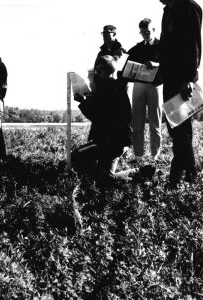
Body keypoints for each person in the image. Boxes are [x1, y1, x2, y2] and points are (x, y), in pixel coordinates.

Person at [71, 55, 155, 187]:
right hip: (119, 142)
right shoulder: (115, 87)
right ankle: (138, 173)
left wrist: (83, 102)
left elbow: (97, 116)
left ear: (102, 71)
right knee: (104, 178)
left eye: (97, 71)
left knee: (75, 157)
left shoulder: (107, 89)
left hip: (108, 142)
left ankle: (125, 179)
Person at [159, 0, 202, 186]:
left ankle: (181, 178)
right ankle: (186, 176)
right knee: (175, 128)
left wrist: (189, 78)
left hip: (181, 80)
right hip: (169, 78)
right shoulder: (169, 10)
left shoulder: (188, 7)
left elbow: (193, 45)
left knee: (182, 130)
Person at [128, 18, 163, 163]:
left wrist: (157, 64)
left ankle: (155, 156)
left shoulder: (162, 46)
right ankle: (138, 156)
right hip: (138, 86)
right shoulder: (137, 48)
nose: (145, 35)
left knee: (155, 122)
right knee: (137, 121)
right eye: (142, 32)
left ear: (154, 30)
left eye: (147, 32)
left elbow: (172, 61)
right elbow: (125, 59)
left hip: (155, 86)